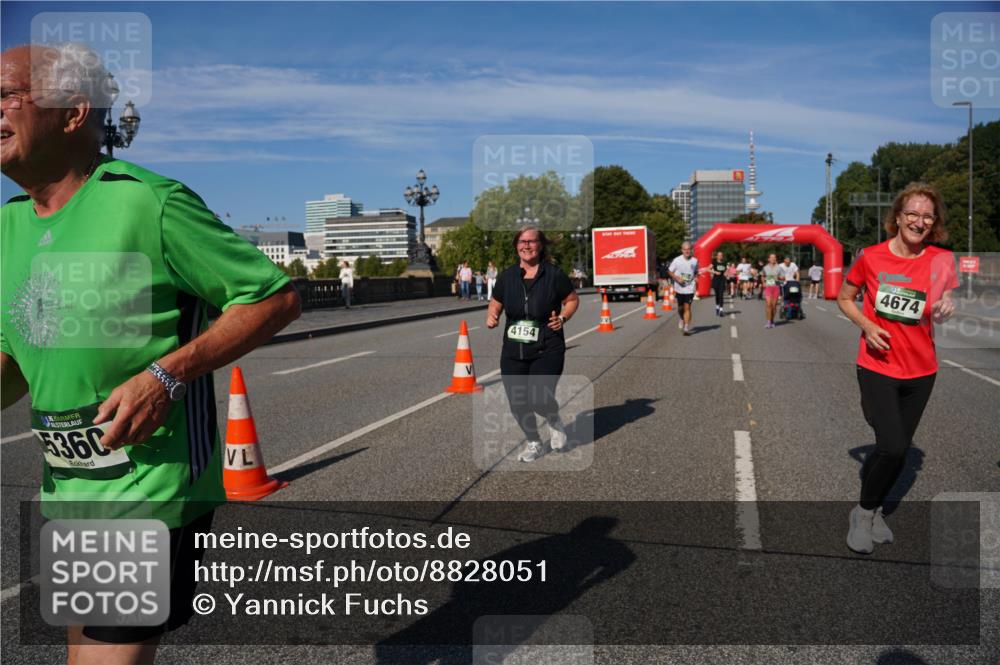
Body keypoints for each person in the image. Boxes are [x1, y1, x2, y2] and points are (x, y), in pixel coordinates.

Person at [0, 44, 301, 663]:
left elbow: (274, 298)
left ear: (73, 111)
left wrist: (167, 375)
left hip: (147, 494)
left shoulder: (147, 202)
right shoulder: (8, 228)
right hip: (68, 493)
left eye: (6, 95)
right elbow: (13, 358)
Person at [838, 183, 956, 554]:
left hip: (921, 371)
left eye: (927, 216)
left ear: (933, 222)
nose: (919, 222)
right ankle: (863, 513)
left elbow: (946, 294)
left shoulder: (940, 259)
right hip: (877, 365)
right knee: (890, 445)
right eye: (912, 214)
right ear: (898, 217)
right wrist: (867, 326)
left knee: (899, 450)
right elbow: (845, 298)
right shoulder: (871, 257)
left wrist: (945, 305)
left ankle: (874, 513)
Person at [486, 226, 579, 463]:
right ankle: (534, 442)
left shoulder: (554, 274)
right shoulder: (507, 276)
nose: (526, 245)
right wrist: (493, 315)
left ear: (540, 246)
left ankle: (553, 418)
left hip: (548, 345)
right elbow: (496, 301)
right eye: (522, 241)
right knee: (517, 401)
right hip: (514, 348)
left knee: (539, 396)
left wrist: (563, 318)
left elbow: (571, 300)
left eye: (531, 241)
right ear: (516, 245)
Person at [667, 241, 700, 335]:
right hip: (679, 288)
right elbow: (669, 271)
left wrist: (696, 277)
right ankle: (681, 318)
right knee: (680, 308)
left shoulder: (695, 261)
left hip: (690, 287)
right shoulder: (677, 260)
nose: (687, 251)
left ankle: (686, 328)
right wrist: (677, 278)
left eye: (688, 249)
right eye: (685, 249)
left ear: (691, 250)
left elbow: (696, 271)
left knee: (687, 307)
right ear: (682, 250)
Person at [761, 253, 782, 328]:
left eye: (774, 257)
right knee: (768, 304)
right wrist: (763, 283)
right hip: (768, 287)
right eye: (772, 257)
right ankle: (768, 321)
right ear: (768, 259)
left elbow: (783, 277)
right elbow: (762, 276)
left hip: (776, 287)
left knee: (774, 306)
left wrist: (779, 278)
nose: (773, 259)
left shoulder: (779, 268)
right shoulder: (765, 267)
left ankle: (772, 320)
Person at [710, 251, 728, 317]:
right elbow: (708, 269)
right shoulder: (714, 262)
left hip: (722, 280)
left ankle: (721, 310)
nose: (720, 256)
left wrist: (726, 273)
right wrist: (715, 272)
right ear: (717, 256)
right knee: (717, 295)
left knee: (721, 295)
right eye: (719, 255)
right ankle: (717, 307)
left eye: (721, 255)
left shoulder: (724, 263)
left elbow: (726, 271)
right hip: (715, 280)